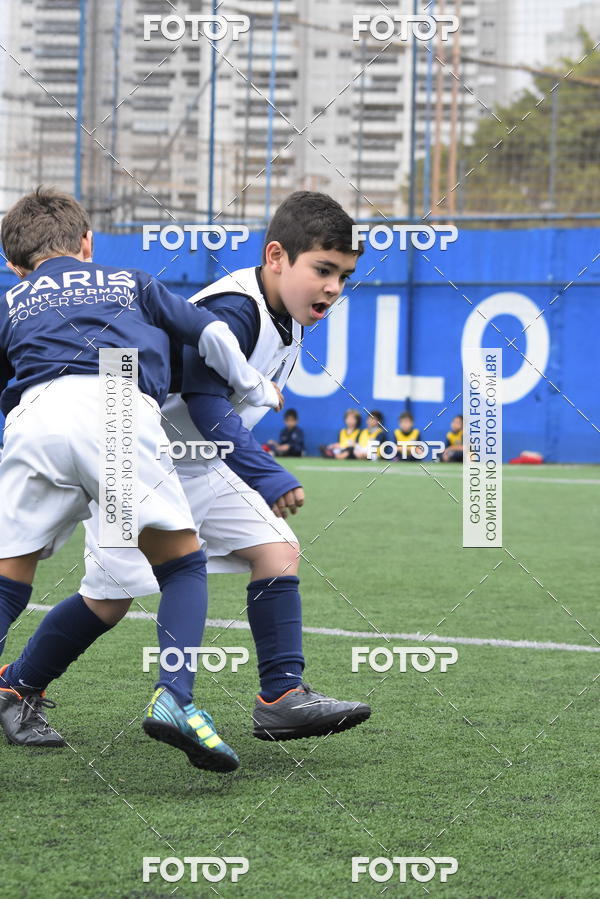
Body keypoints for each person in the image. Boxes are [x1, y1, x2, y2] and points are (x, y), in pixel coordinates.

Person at [0, 190, 371, 762]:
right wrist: (266, 469)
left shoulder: (17, 299)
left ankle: (281, 695)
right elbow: (204, 396)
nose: (333, 287)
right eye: (323, 271)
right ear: (276, 257)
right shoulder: (228, 307)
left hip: (154, 451)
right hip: (138, 447)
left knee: (276, 549)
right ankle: (35, 684)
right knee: (117, 594)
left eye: (342, 276)